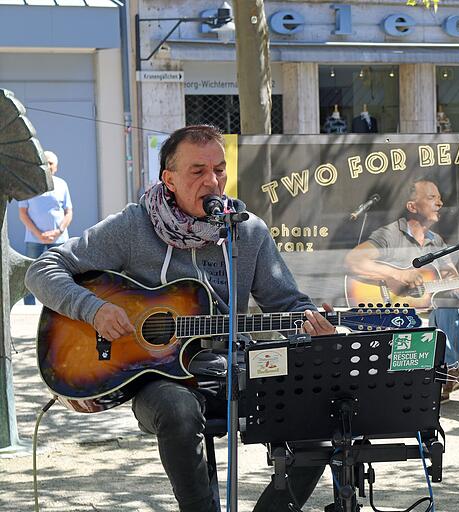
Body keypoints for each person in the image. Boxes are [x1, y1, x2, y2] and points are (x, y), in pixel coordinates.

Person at [25, 125, 336, 512]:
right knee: (177, 409)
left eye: (220, 169)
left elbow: (286, 302)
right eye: (198, 171)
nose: (213, 181)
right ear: (168, 179)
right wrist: (95, 309)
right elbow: (43, 270)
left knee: (327, 418)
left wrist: (309, 319)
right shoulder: (132, 226)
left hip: (233, 368)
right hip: (158, 381)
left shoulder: (247, 232)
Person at [343, 179, 459, 401]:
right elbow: (353, 260)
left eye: (439, 198)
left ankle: (447, 368)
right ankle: (439, 371)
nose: (440, 203)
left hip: (423, 314)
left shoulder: (436, 240)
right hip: (391, 314)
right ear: (412, 207)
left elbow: (451, 277)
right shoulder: (391, 234)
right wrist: (396, 275)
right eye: (431, 198)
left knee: (451, 295)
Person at [18, 150, 73, 305]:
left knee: (60, 273)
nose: (48, 166)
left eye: (51, 163)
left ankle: (59, 305)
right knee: (30, 271)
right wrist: (38, 234)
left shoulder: (62, 184)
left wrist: (59, 231)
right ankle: (29, 305)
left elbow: (69, 211)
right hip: (34, 239)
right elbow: (23, 213)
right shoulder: (29, 184)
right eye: (45, 162)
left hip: (58, 239)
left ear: (56, 167)